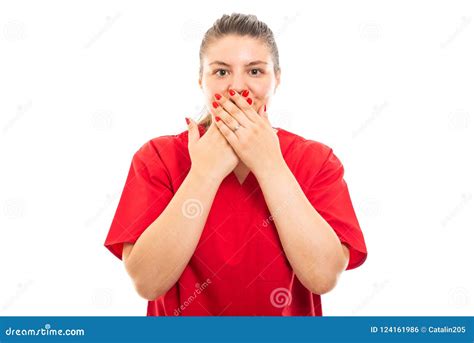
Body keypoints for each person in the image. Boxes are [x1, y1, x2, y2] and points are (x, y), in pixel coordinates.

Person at [104, 13, 367, 316]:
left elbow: (323, 277)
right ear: (200, 80)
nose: (237, 87)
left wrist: (269, 164)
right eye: (221, 72)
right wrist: (205, 172)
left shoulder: (316, 161)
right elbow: (147, 282)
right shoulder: (158, 157)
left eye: (255, 71)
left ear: (276, 79)